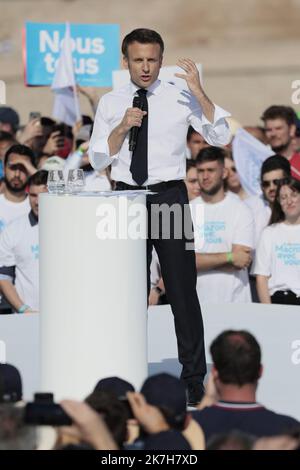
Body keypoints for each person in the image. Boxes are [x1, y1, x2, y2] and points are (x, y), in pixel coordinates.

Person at [89, 28, 231, 406]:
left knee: (181, 289)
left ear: (161, 59)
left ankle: (193, 378)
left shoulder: (179, 93)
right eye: (139, 60)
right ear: (126, 62)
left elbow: (220, 135)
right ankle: (123, 374)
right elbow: (97, 158)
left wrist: (200, 92)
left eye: (153, 59)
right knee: (127, 292)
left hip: (168, 196)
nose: (146, 67)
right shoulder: (110, 101)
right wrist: (122, 126)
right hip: (127, 200)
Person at [192, 330, 299, 441]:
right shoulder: (290, 431)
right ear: (260, 371)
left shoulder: (186, 428)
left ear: (214, 373)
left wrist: (207, 400)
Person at [191, 146, 254, 303]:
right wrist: (229, 256)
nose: (205, 176)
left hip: (235, 300)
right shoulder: (186, 210)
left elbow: (241, 261)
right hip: (196, 302)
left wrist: (200, 261)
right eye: (201, 171)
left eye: (211, 170)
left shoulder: (241, 209)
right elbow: (184, 262)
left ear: (224, 173)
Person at [0, 170, 48, 313]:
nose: (38, 202)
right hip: (26, 317)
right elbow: (3, 277)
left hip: (65, 317)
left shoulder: (70, 228)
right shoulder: (13, 230)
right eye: (33, 195)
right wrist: (23, 309)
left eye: (43, 196)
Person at [253, 178, 300, 305]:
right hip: (278, 300)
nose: (289, 201)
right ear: (279, 202)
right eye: (284, 197)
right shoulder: (269, 233)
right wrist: (268, 311)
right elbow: (262, 278)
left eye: (294, 195)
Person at [245, 155, 291, 247]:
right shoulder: (248, 208)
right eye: (266, 184)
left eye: (276, 182)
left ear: (288, 180)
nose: (271, 188)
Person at [0, 144, 37, 233]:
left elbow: (56, 193)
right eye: (13, 168)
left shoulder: (37, 205)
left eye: (23, 168)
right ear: (4, 170)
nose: (17, 174)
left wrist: (34, 172)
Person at [261, 105, 300, 179]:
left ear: (292, 129)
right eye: (269, 130)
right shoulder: (261, 164)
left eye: (278, 128)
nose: (273, 134)